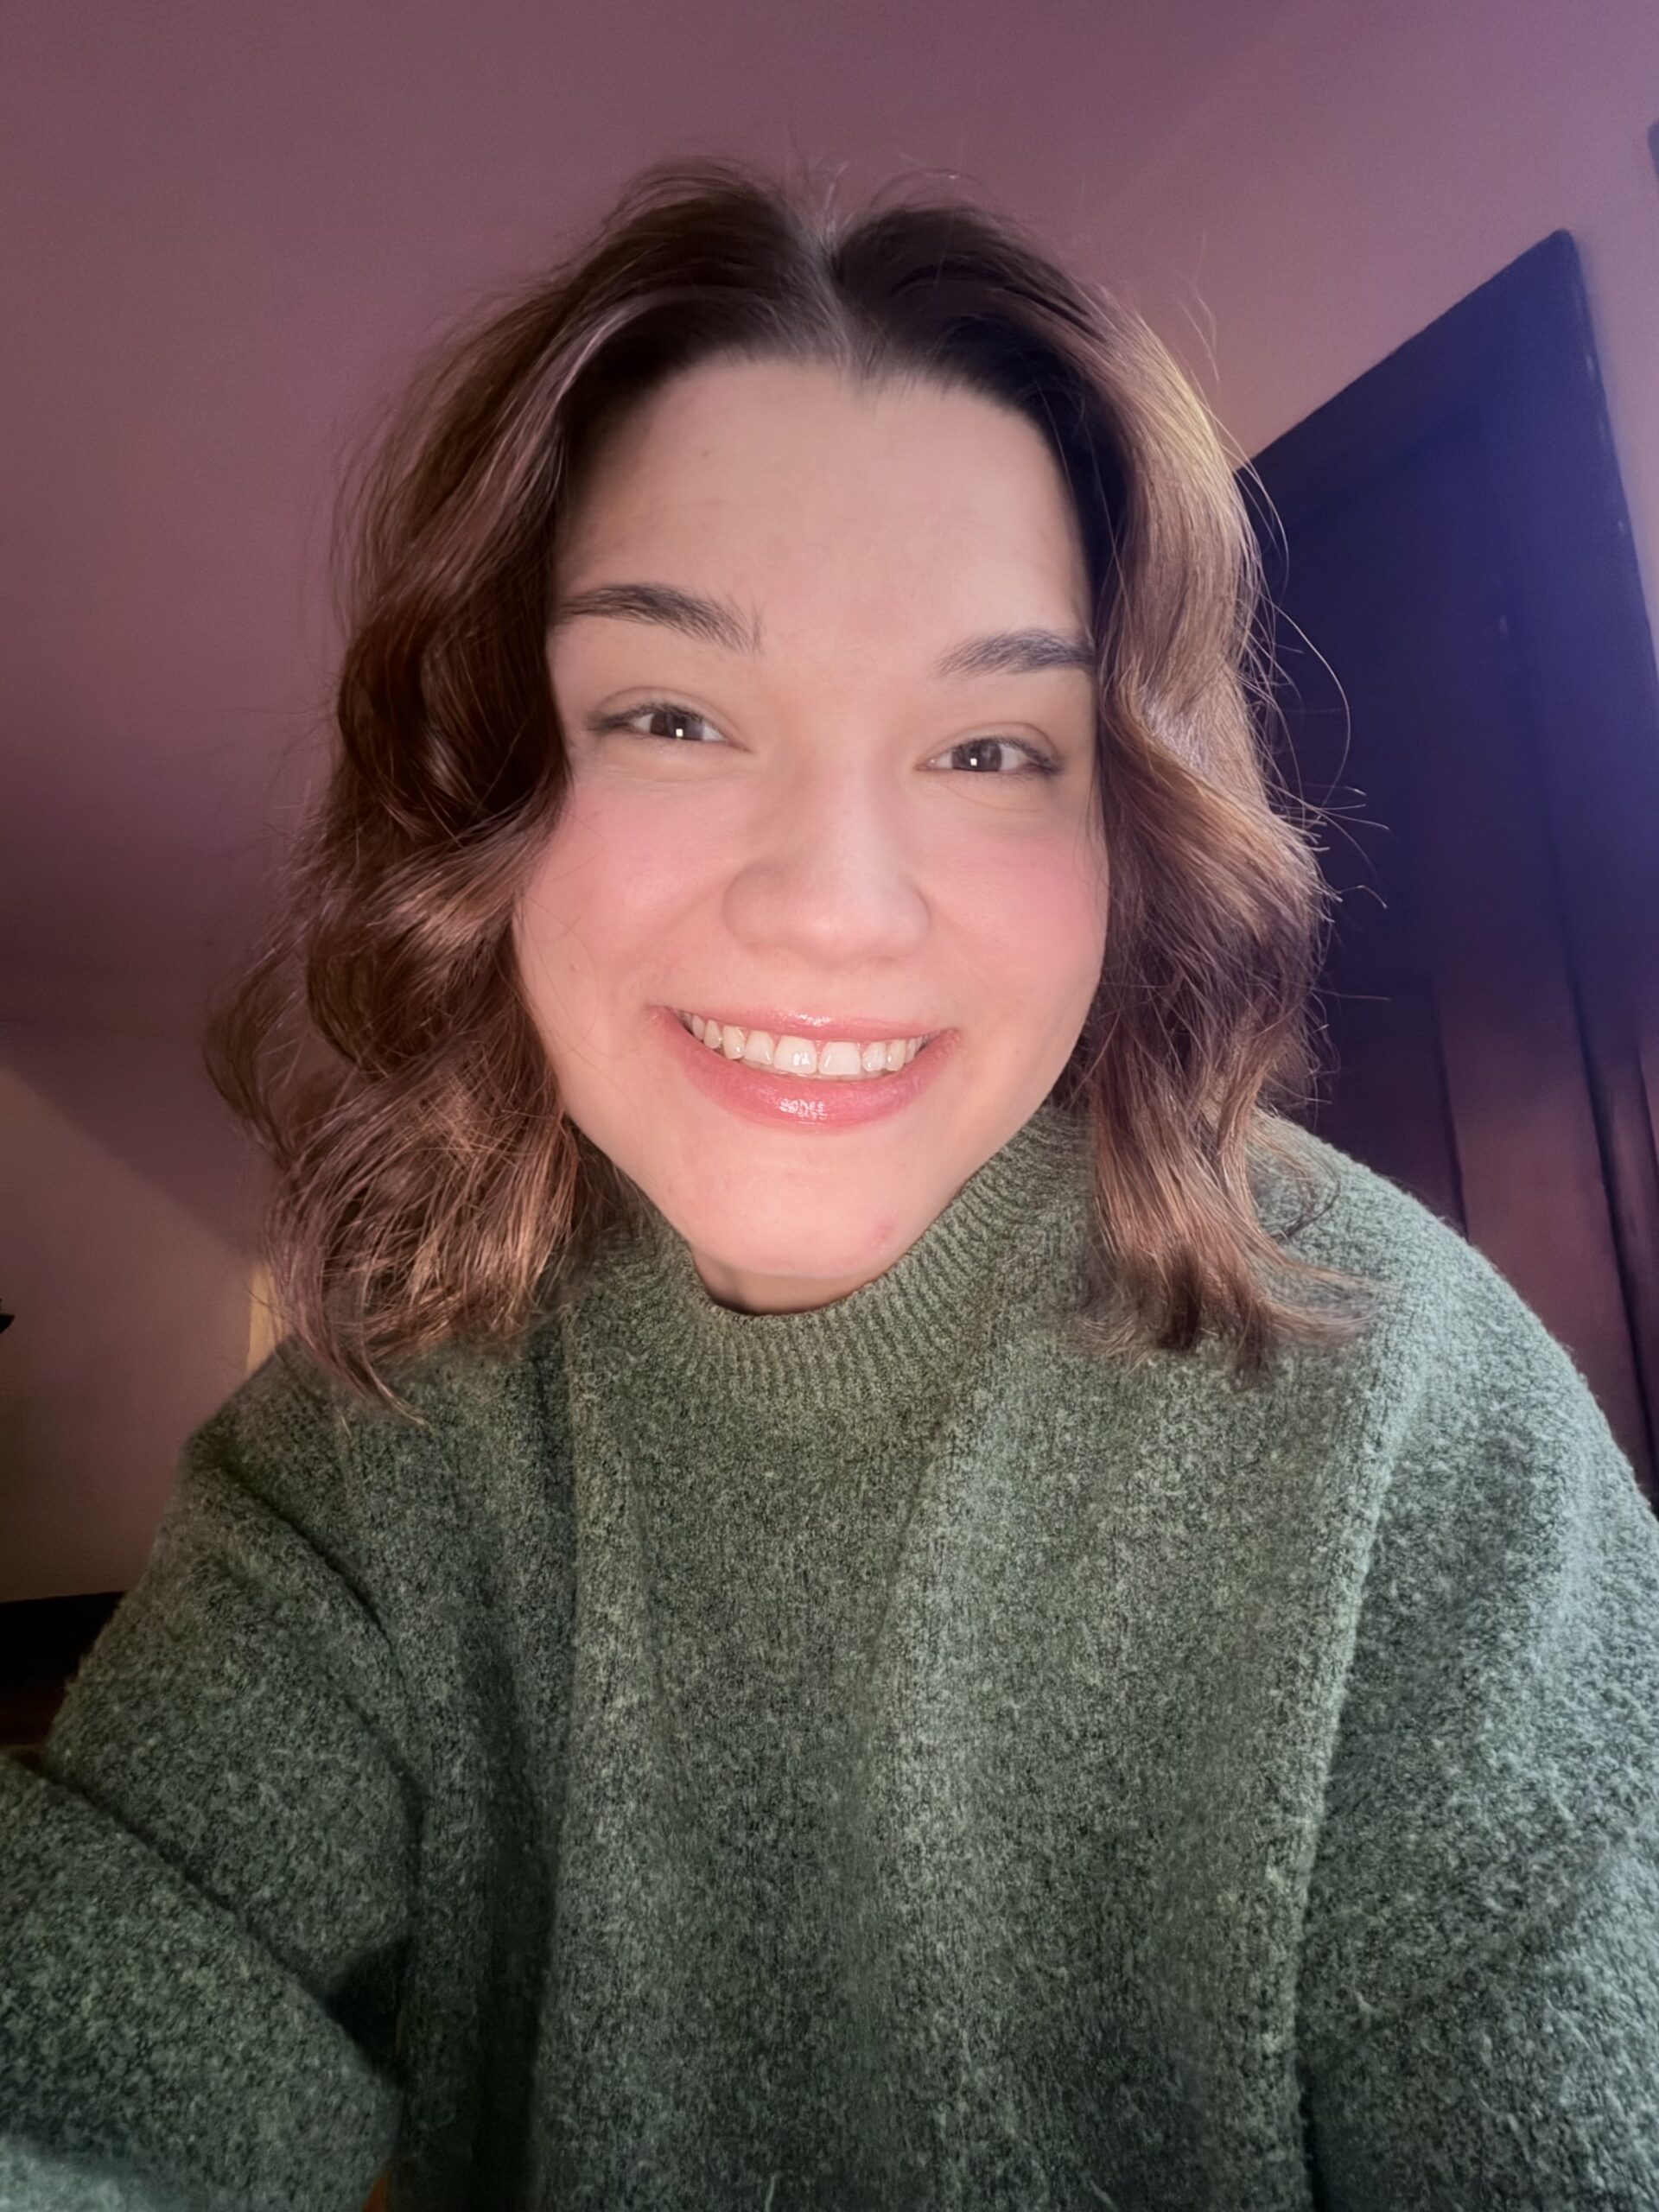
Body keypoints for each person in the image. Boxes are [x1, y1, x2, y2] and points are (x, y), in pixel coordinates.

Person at [3, 154, 1656, 2212]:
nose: (837, 909)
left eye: (992, 747)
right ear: (491, 782)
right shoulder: (368, 1454)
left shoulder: (1418, 1421)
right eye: (675, 713)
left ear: (1127, 823)